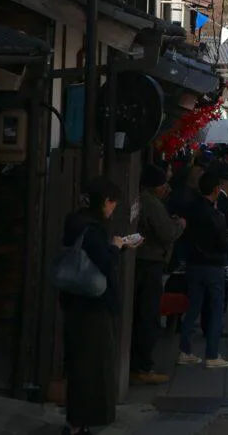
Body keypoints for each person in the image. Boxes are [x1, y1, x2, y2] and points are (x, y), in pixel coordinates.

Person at [61, 178, 133, 434]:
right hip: (93, 305)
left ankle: (76, 422)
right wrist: (116, 247)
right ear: (105, 202)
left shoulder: (75, 222)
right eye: (113, 203)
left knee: (79, 365)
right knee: (92, 367)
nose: (113, 208)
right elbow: (104, 261)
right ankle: (78, 424)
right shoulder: (93, 229)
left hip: (73, 302)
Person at [131, 166, 185, 385]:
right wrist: (179, 225)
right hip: (149, 263)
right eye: (164, 185)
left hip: (145, 261)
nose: (166, 189)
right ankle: (143, 366)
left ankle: (140, 364)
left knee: (144, 314)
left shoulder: (144, 200)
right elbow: (167, 233)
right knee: (147, 315)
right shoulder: (150, 203)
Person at [178, 172, 228, 369]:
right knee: (216, 310)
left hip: (193, 264)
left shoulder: (191, 209)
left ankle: (185, 351)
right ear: (216, 190)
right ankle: (211, 354)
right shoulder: (215, 215)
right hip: (213, 266)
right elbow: (223, 242)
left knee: (192, 309)